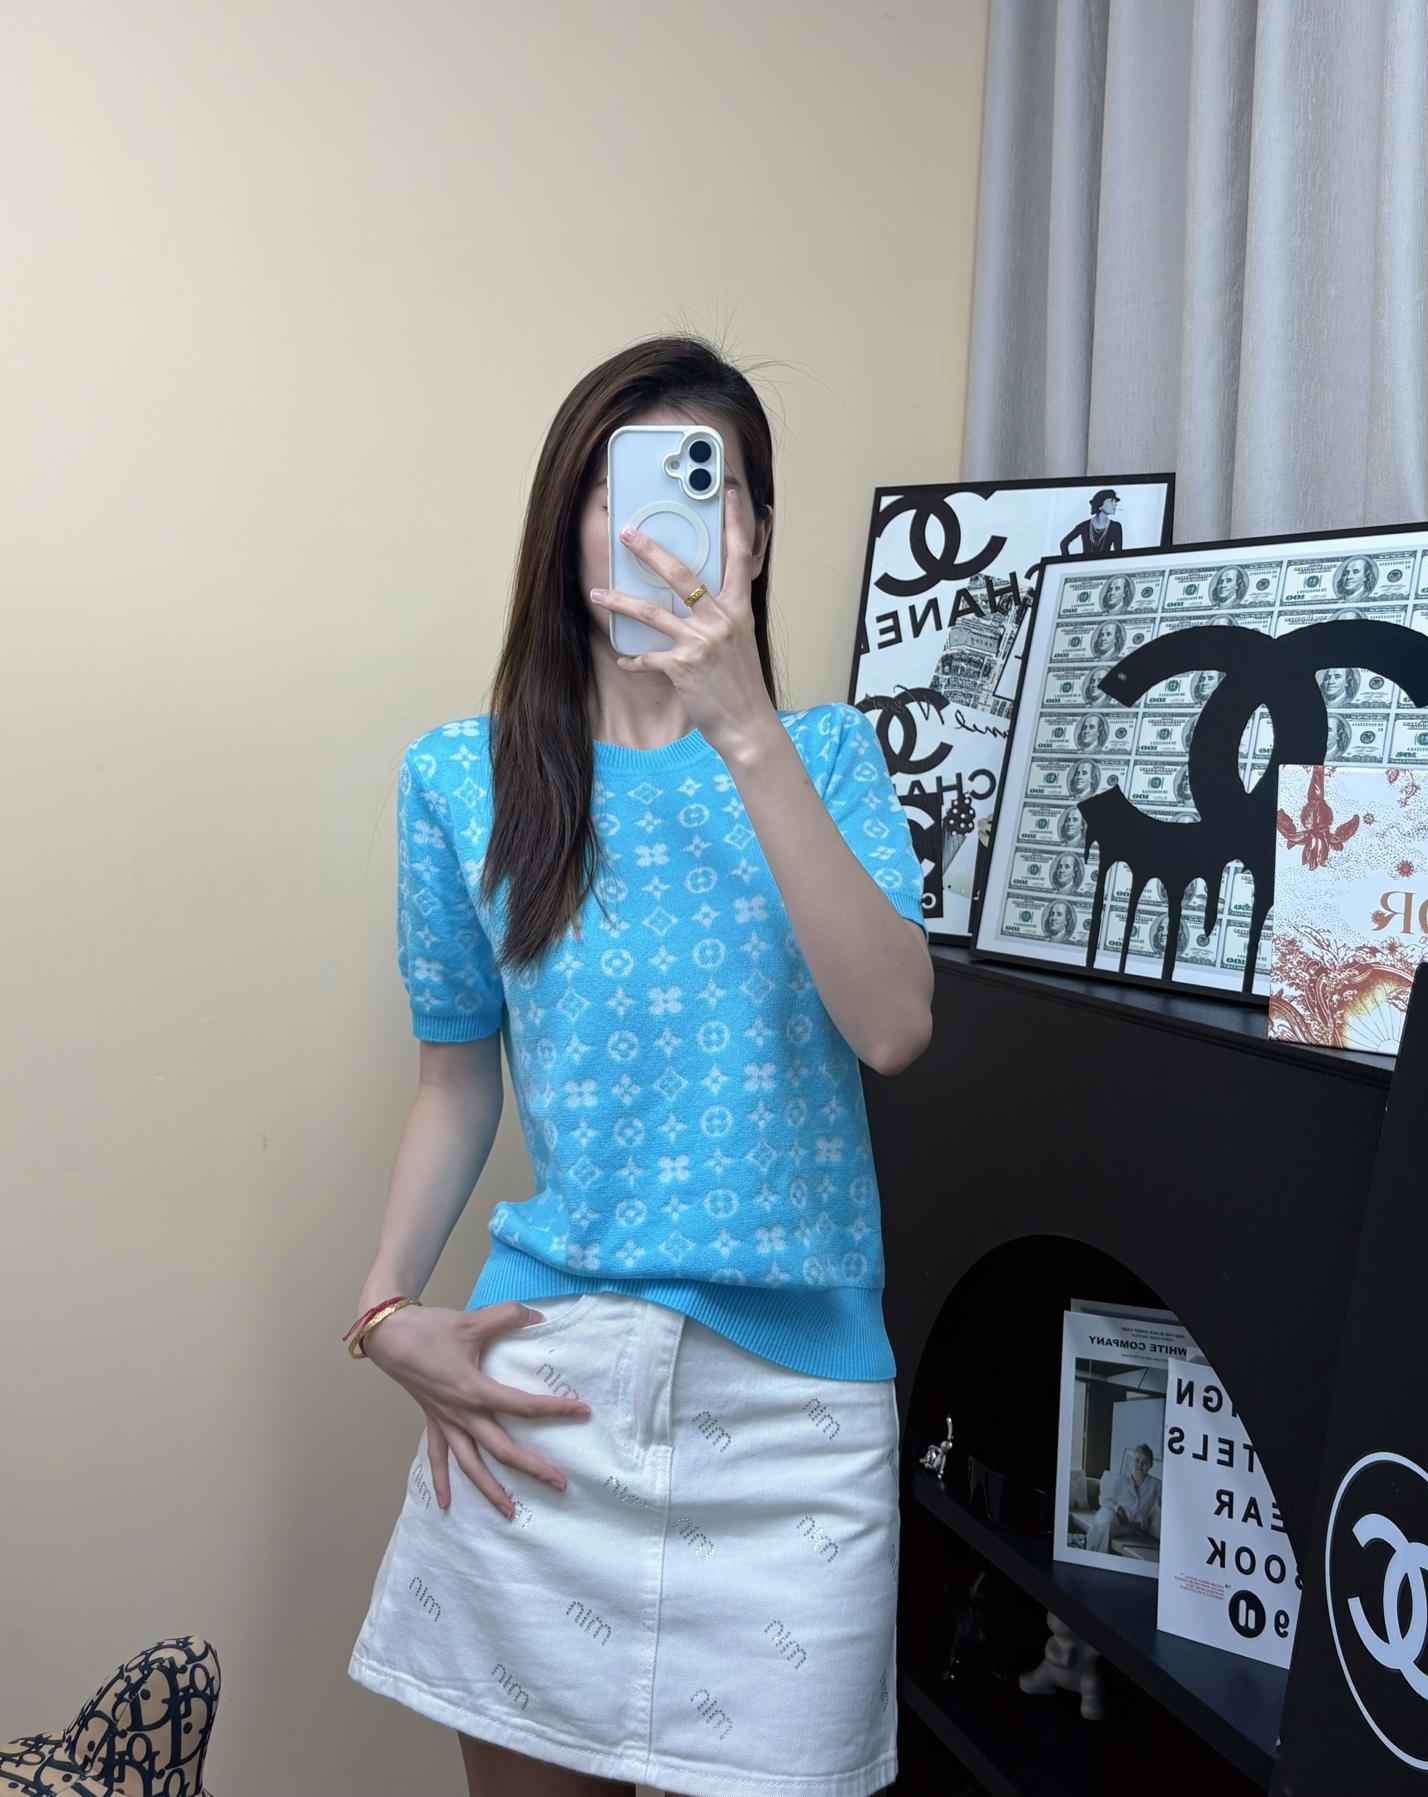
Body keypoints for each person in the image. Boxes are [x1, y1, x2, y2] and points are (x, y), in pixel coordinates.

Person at [345, 339, 933, 1797]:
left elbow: (894, 1028)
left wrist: (745, 731)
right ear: (572, 524)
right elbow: (456, 1083)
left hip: (798, 1420)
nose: (664, 524)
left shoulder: (829, 757)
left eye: (705, 487)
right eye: (628, 488)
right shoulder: (462, 778)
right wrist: (383, 1309)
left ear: (757, 537)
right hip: (547, 1399)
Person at [1085, 1444, 1161, 1555]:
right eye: (1137, 1461)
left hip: (1130, 1526)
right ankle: (1093, 1556)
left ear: (1151, 1465)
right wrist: (1117, 1508)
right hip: (1113, 1514)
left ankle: (1091, 1555)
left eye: (1144, 1462)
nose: (1140, 1465)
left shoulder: (1156, 1485)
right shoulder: (1121, 1480)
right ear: (1133, 1461)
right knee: (1105, 1522)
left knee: (1105, 1528)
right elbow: (1104, 1499)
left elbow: (1165, 1503)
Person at [1060, 489, 1123, 556]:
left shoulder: (1116, 527)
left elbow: (1118, 553)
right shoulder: (1084, 526)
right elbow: (1063, 544)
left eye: (1115, 501)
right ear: (1100, 503)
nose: (1115, 504)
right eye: (1111, 501)